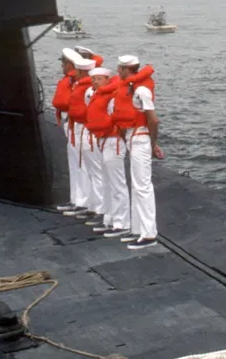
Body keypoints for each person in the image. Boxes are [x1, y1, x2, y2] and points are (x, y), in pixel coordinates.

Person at [113, 55, 162, 249]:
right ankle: (137, 229)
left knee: (143, 187)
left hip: (140, 138)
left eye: (120, 68)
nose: (117, 71)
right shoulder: (131, 87)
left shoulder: (141, 90)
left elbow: (153, 120)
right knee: (137, 186)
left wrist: (152, 144)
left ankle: (149, 234)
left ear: (127, 69)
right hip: (133, 137)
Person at [81, 67, 123, 235]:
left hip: (113, 141)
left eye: (98, 79)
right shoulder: (95, 96)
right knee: (106, 182)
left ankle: (120, 224)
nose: (94, 82)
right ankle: (109, 219)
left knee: (116, 184)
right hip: (102, 140)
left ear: (107, 79)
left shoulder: (112, 98)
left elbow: (116, 118)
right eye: (93, 79)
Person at [51, 48, 85, 214]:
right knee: (75, 165)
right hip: (70, 124)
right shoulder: (71, 81)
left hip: (76, 126)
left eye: (63, 63)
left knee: (79, 165)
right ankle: (77, 200)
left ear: (70, 64)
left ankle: (83, 202)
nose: (62, 67)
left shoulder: (75, 83)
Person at [65, 51, 98, 216]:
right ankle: (79, 200)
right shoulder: (80, 85)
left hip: (85, 130)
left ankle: (89, 205)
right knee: (78, 166)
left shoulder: (88, 89)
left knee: (87, 168)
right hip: (77, 128)